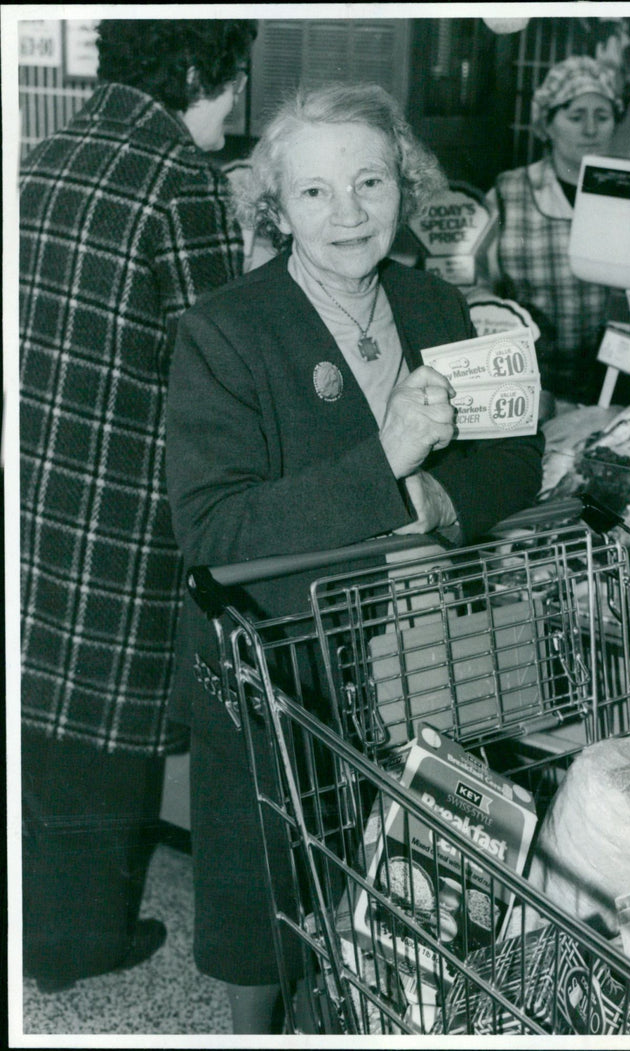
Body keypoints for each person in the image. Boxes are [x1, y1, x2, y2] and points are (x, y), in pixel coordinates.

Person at [165, 82, 546, 1033]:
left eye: (371, 182)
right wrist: (388, 460)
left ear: (405, 187)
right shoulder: (226, 332)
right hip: (282, 657)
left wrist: (436, 497)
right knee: (274, 889)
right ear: (276, 205)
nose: (349, 214)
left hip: (420, 653)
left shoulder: (434, 301)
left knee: (414, 888)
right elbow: (213, 528)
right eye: (316, 194)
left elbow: (517, 450)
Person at [19, 18, 258, 994]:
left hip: (43, 470)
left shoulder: (51, 151)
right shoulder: (182, 180)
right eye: (233, 80)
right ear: (198, 69)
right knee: (105, 724)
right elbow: (219, 367)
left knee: (42, 702)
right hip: (122, 491)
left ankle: (41, 915)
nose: (236, 103)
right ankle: (77, 941)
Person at [480, 55, 630, 408]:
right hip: (531, 388)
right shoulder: (508, 193)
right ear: (546, 124)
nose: (590, 130)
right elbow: (482, 291)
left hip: (617, 387)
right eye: (575, 116)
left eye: (602, 117)